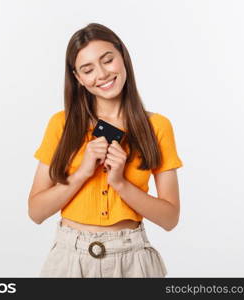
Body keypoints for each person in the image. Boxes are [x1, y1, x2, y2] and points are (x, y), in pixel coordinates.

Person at [28, 23, 183, 278]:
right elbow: (36, 212)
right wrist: (82, 173)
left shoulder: (157, 127)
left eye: (107, 60)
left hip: (132, 261)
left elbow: (170, 218)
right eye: (87, 69)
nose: (101, 74)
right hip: (69, 260)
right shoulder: (61, 125)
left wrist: (120, 183)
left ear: (122, 56)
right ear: (78, 78)